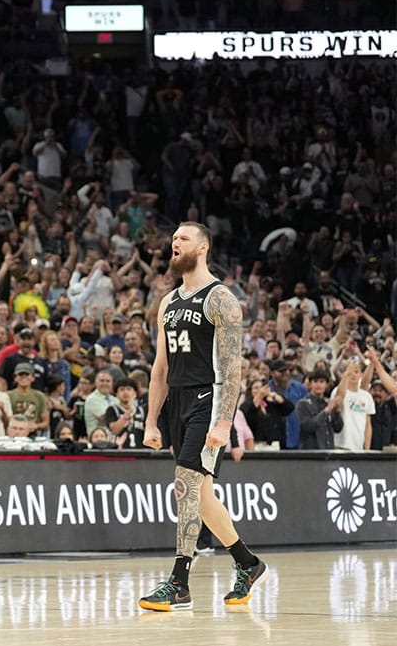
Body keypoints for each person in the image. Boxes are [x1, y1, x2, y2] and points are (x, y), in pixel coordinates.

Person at [140, 222, 268, 612]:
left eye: (183, 239)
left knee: (185, 484)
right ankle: (248, 563)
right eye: (173, 239)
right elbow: (159, 367)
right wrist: (151, 420)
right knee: (202, 494)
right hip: (177, 401)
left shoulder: (221, 298)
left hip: (208, 399)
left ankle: (179, 581)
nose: (174, 244)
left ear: (203, 247)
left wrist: (224, 421)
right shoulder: (168, 302)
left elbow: (232, 369)